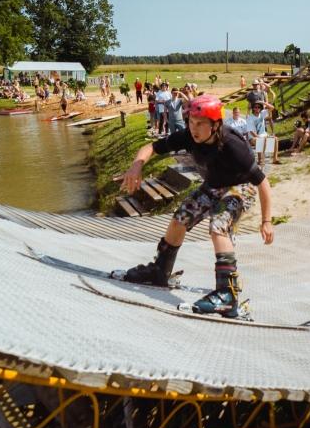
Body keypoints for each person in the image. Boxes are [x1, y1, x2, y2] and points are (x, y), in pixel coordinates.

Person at [114, 94, 274, 318]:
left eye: (200, 124)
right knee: (180, 219)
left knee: (218, 225)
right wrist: (136, 167)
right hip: (212, 186)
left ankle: (227, 294)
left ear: (216, 124)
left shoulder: (233, 145)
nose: (194, 128)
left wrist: (266, 221)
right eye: (191, 122)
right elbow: (150, 147)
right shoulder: (188, 135)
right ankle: (160, 270)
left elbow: (263, 183)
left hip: (240, 187)